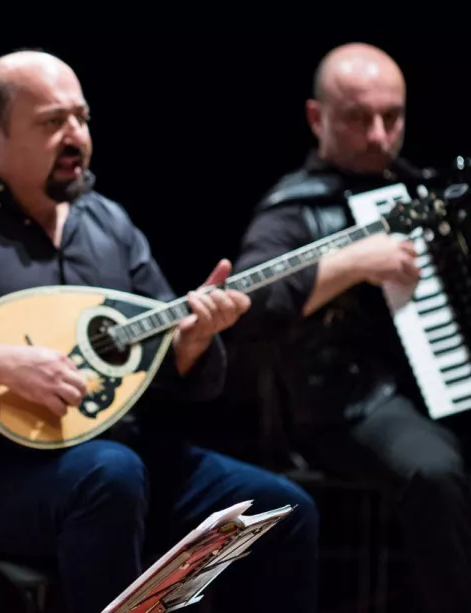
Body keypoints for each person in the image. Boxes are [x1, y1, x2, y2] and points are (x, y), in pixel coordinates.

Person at [0, 50, 320, 613]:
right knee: (110, 476)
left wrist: (192, 343)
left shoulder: (106, 223)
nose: (76, 136)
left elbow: (159, 357)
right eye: (52, 123)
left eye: (81, 119)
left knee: (280, 510)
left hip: (111, 457)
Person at [232, 42, 471, 613]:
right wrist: (351, 264)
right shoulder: (291, 210)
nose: (380, 136)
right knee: (434, 471)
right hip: (343, 405)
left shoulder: (420, 191)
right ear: (318, 118)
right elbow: (248, 302)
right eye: (359, 119)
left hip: (430, 390)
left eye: (393, 118)